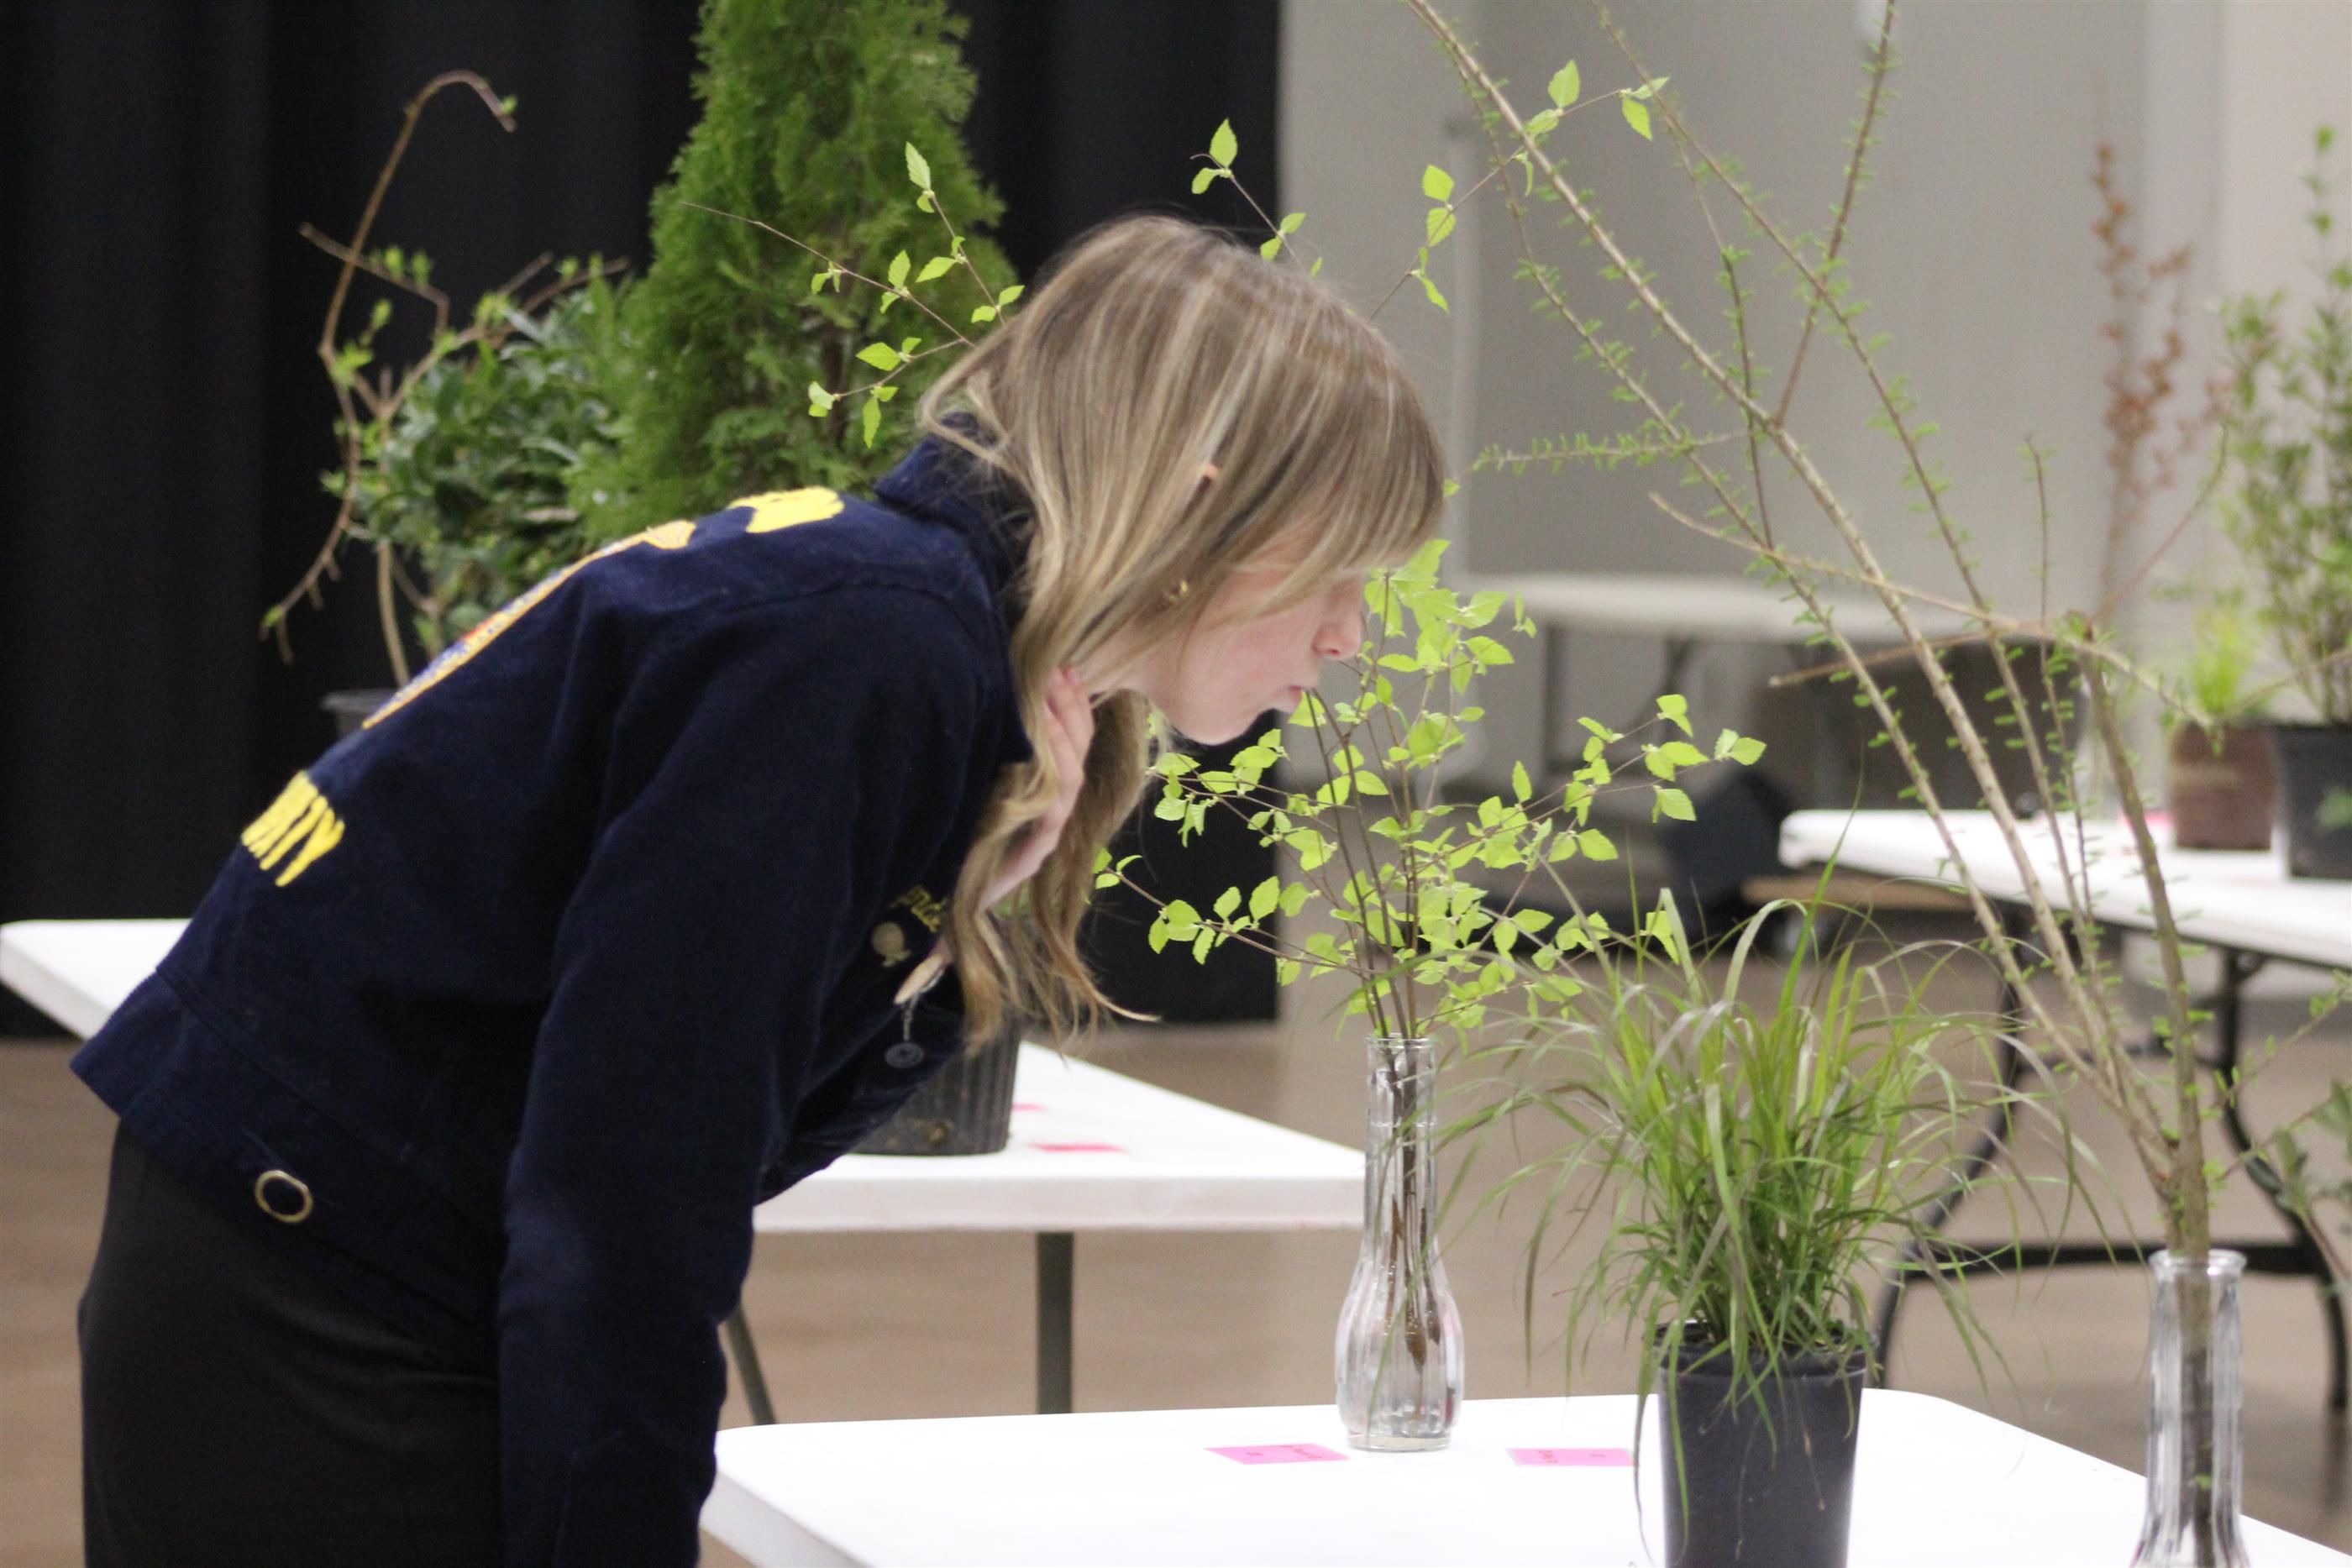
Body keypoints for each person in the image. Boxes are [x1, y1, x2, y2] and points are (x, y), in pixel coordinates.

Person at [71, 212, 1446, 1566]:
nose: (1349, 633)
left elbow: (710, 1135)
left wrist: (966, 903)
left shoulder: (898, 618)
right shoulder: (874, 647)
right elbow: (631, 1205)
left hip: (316, 1250)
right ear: (1202, 501)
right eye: (1338, 567)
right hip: (315, 1292)